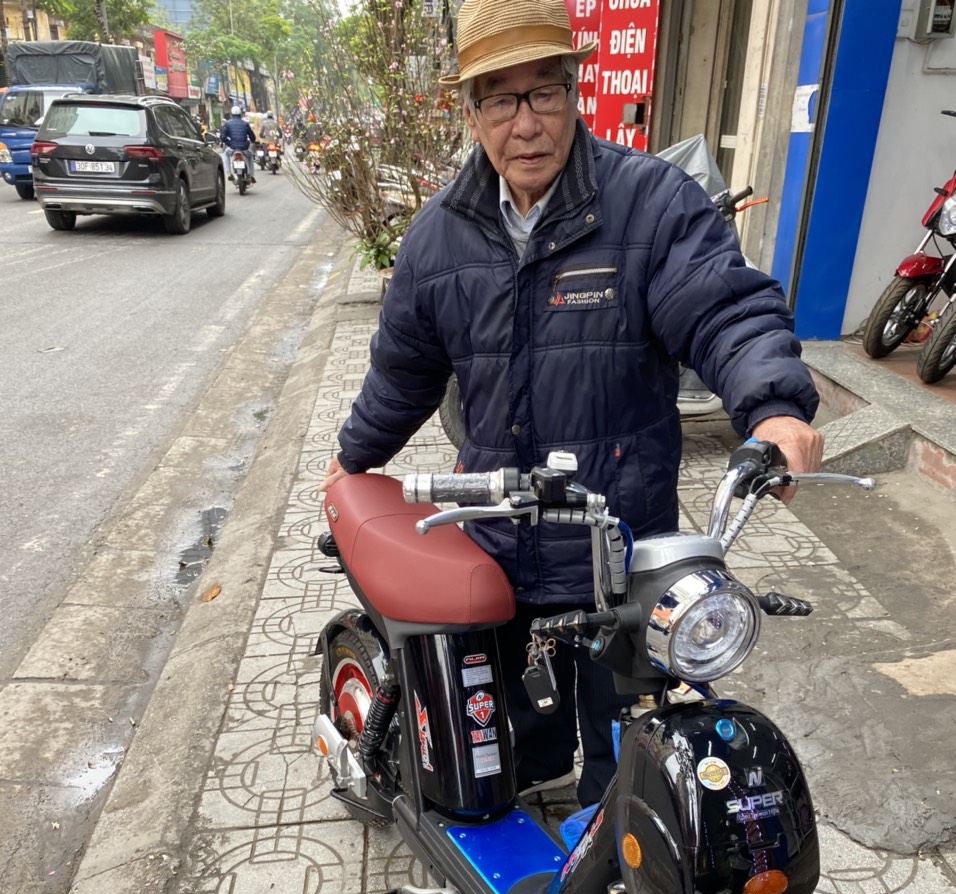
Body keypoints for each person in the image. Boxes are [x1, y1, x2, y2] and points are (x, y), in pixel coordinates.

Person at [320, 0, 825, 808]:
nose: (526, 124)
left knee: (629, 760)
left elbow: (725, 310)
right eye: (500, 100)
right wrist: (352, 459)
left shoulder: (652, 205)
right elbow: (401, 373)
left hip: (620, 552)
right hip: (498, 543)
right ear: (472, 113)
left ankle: (609, 848)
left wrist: (774, 408)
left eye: (544, 93)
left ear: (573, 92)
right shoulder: (436, 239)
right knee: (520, 742)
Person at [219, 104, 257, 184]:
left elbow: (222, 137)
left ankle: (228, 173)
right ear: (240, 114)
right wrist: (252, 141)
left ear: (232, 114)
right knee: (250, 155)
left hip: (232, 148)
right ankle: (251, 175)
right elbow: (252, 136)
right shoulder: (245, 124)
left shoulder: (227, 124)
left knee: (226, 154)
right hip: (244, 148)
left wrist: (230, 143)